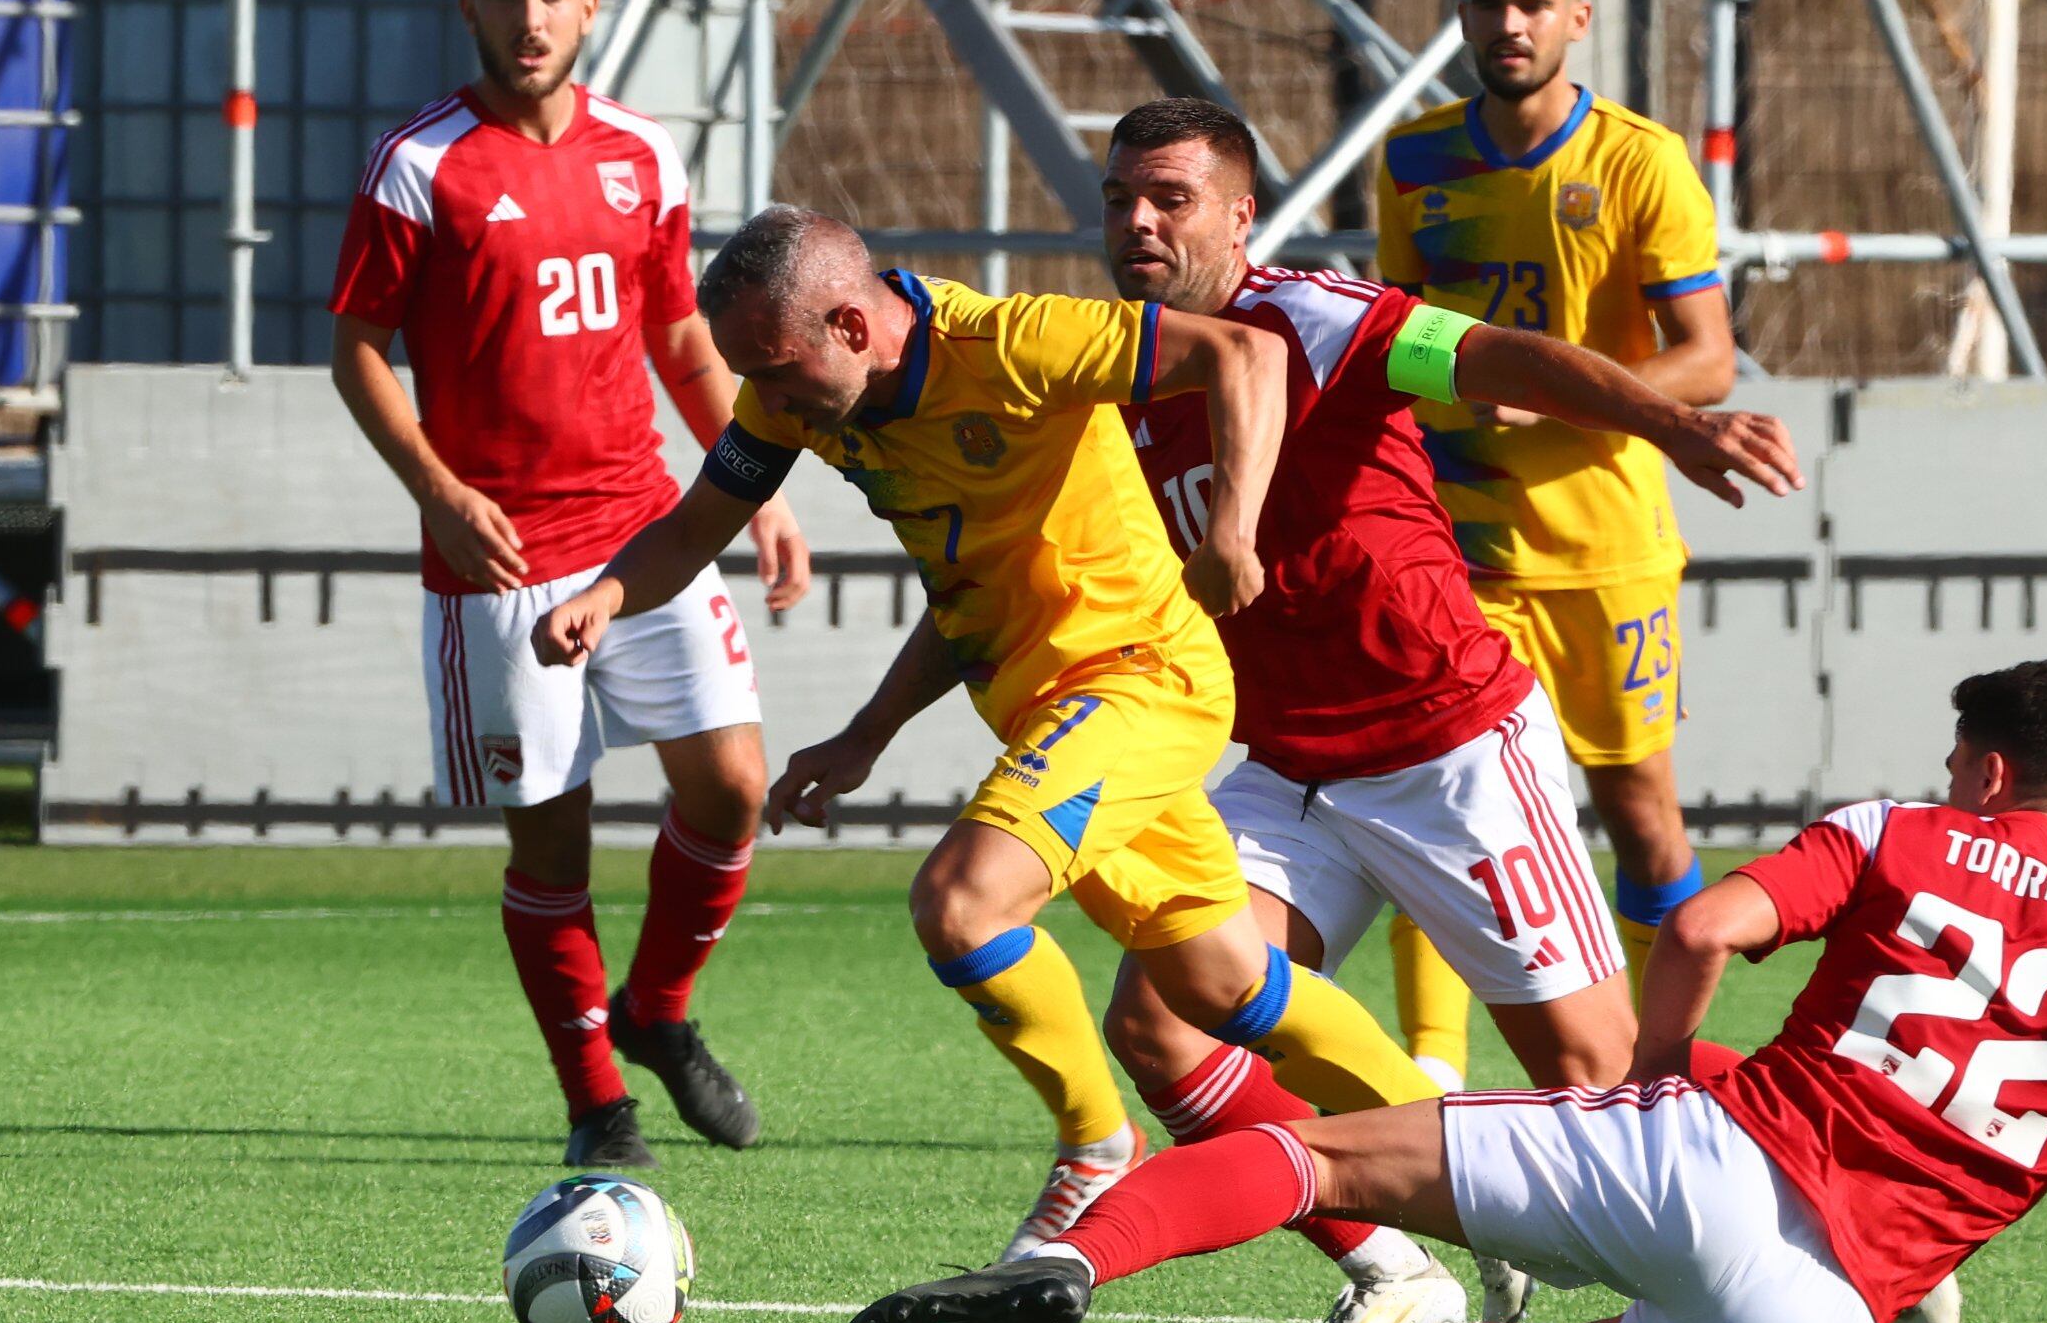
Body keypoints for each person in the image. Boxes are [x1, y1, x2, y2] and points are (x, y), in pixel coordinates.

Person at [836, 659, 2047, 1323]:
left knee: (1317, 1154)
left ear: (1989, 772)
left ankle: (1074, 1263)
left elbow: (1703, 923)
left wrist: (1657, 1066)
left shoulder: (1907, 832)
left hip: (1708, 1158)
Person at [541, 208, 1440, 1260]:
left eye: (776, 372)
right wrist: (612, 599)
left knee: (962, 905)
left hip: (1141, 677)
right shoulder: (794, 397)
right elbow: (702, 529)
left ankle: (1096, 1145)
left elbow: (1244, 354)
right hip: (1045, 709)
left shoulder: (1013, 343)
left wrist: (1231, 530)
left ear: (850, 325)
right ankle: (1467, 1159)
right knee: (1230, 985)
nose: (765, 401)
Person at [1074, 94, 1805, 1323]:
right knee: (1158, 1020)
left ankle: (1823, 1173)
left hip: (1448, 753)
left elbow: (1497, 357)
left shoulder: (1320, 320)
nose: (1138, 222)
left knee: (1600, 1077)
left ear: (1240, 217)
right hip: (1288, 772)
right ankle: (1395, 1268)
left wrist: (1674, 422)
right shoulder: (1103, 367)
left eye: (1170, 199)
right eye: (1120, 200)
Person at [328, 0, 813, 1169]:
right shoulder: (418, 164)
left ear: (590, 8)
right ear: (470, 10)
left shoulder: (642, 153)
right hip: (495, 558)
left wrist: (755, 484)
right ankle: (598, 1103)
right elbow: (357, 349)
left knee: (734, 787)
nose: (529, 14)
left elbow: (680, 335)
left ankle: (657, 1008)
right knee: (551, 835)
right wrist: (438, 492)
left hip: (643, 531)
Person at [1369, 0, 1751, 1319]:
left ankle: (1658, 1077)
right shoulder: (1415, 160)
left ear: (1578, 18)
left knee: (1641, 818)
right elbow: (1393, 335)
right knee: (1442, 806)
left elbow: (1707, 356)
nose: (1509, 25)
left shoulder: (1641, 162)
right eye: (1487, 4)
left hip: (1606, 556)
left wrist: (1564, 387)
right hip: (1455, 548)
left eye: (1533, 3)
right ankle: (1435, 1076)